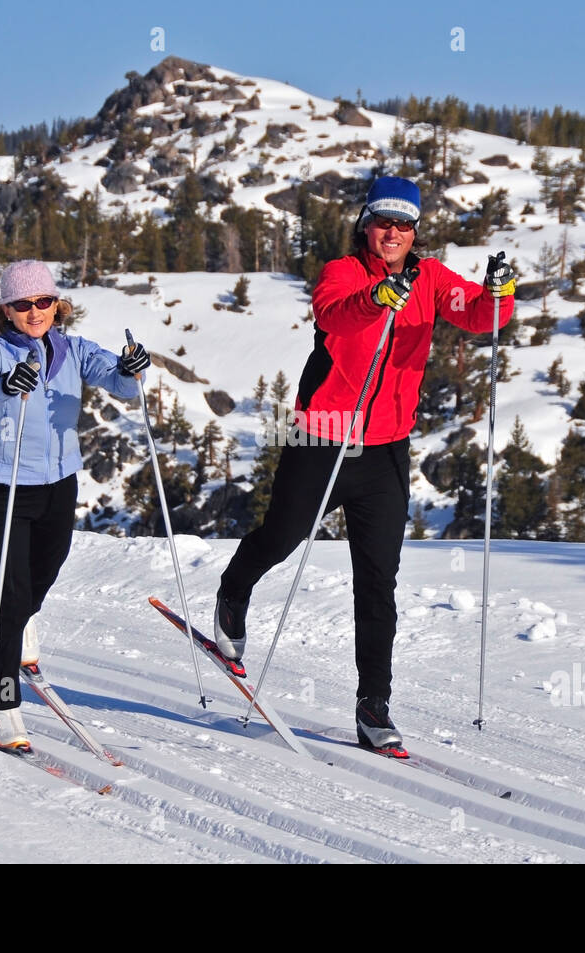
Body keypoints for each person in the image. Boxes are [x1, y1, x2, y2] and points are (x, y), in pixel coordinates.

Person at [213, 176, 516, 752]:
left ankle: (373, 706)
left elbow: (478, 315)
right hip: (325, 439)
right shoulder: (343, 273)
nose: (393, 234)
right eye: (383, 223)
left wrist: (498, 293)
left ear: (415, 231)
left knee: (378, 582)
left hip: (386, 451)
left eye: (404, 225)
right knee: (282, 537)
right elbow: (334, 317)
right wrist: (377, 300)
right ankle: (234, 588)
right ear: (365, 226)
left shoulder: (429, 277)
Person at [0, 260, 150, 750]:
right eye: (22, 304)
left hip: (60, 483)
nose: (34, 312)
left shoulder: (73, 349)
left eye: (42, 302)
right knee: (9, 594)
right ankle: (4, 706)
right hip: (9, 487)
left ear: (56, 304)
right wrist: (7, 385)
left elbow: (121, 383)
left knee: (47, 568)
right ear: (5, 310)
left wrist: (131, 370)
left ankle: (23, 623)